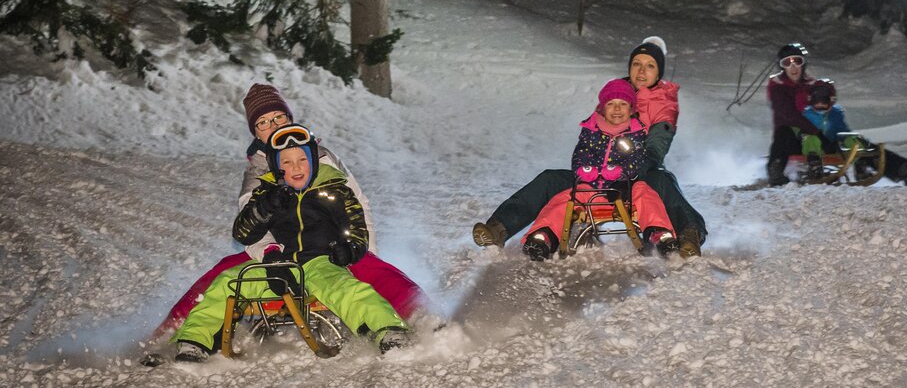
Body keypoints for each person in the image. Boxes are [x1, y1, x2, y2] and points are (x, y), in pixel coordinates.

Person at [154, 83, 425, 338]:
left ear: (289, 119)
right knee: (222, 275)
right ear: (255, 132)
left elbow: (357, 202)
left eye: (278, 118)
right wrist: (271, 255)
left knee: (373, 269)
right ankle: (173, 333)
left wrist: (361, 248)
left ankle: (423, 317)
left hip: (326, 245)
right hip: (280, 250)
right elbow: (250, 223)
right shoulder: (258, 172)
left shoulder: (321, 155)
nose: (271, 127)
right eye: (262, 123)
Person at [172, 124, 409, 362]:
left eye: (301, 160)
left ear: (313, 162)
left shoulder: (334, 190)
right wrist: (265, 207)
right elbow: (243, 233)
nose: (295, 168)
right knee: (227, 283)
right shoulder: (268, 194)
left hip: (321, 262)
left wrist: (349, 248)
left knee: (348, 290)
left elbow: (355, 227)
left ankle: (388, 330)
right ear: (276, 167)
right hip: (277, 267)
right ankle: (194, 342)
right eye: (286, 162)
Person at [472, 36, 707, 257]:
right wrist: (587, 168)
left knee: (663, 181)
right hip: (598, 176)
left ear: (659, 72)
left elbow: (657, 144)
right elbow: (592, 137)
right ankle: (498, 228)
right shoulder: (615, 94)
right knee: (550, 179)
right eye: (637, 64)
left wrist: (634, 169)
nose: (641, 71)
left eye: (650, 66)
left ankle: (689, 234)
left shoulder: (663, 101)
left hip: (639, 171)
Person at [520, 79, 678, 260]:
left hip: (625, 192)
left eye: (622, 104)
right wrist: (584, 169)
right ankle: (543, 237)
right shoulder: (590, 132)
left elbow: (638, 159)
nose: (617, 109)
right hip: (592, 188)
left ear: (632, 109)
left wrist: (622, 172)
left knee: (646, 194)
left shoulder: (636, 134)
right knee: (563, 198)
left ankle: (660, 234)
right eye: (611, 104)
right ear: (602, 108)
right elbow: (581, 154)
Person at [803, 79, 907, 185]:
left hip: (835, 145)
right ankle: (815, 168)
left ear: (831, 100)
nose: (820, 104)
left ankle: (902, 170)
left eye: (823, 100)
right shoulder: (807, 115)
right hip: (815, 149)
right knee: (812, 138)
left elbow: (842, 131)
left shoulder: (835, 115)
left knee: (860, 142)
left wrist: (849, 140)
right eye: (816, 100)